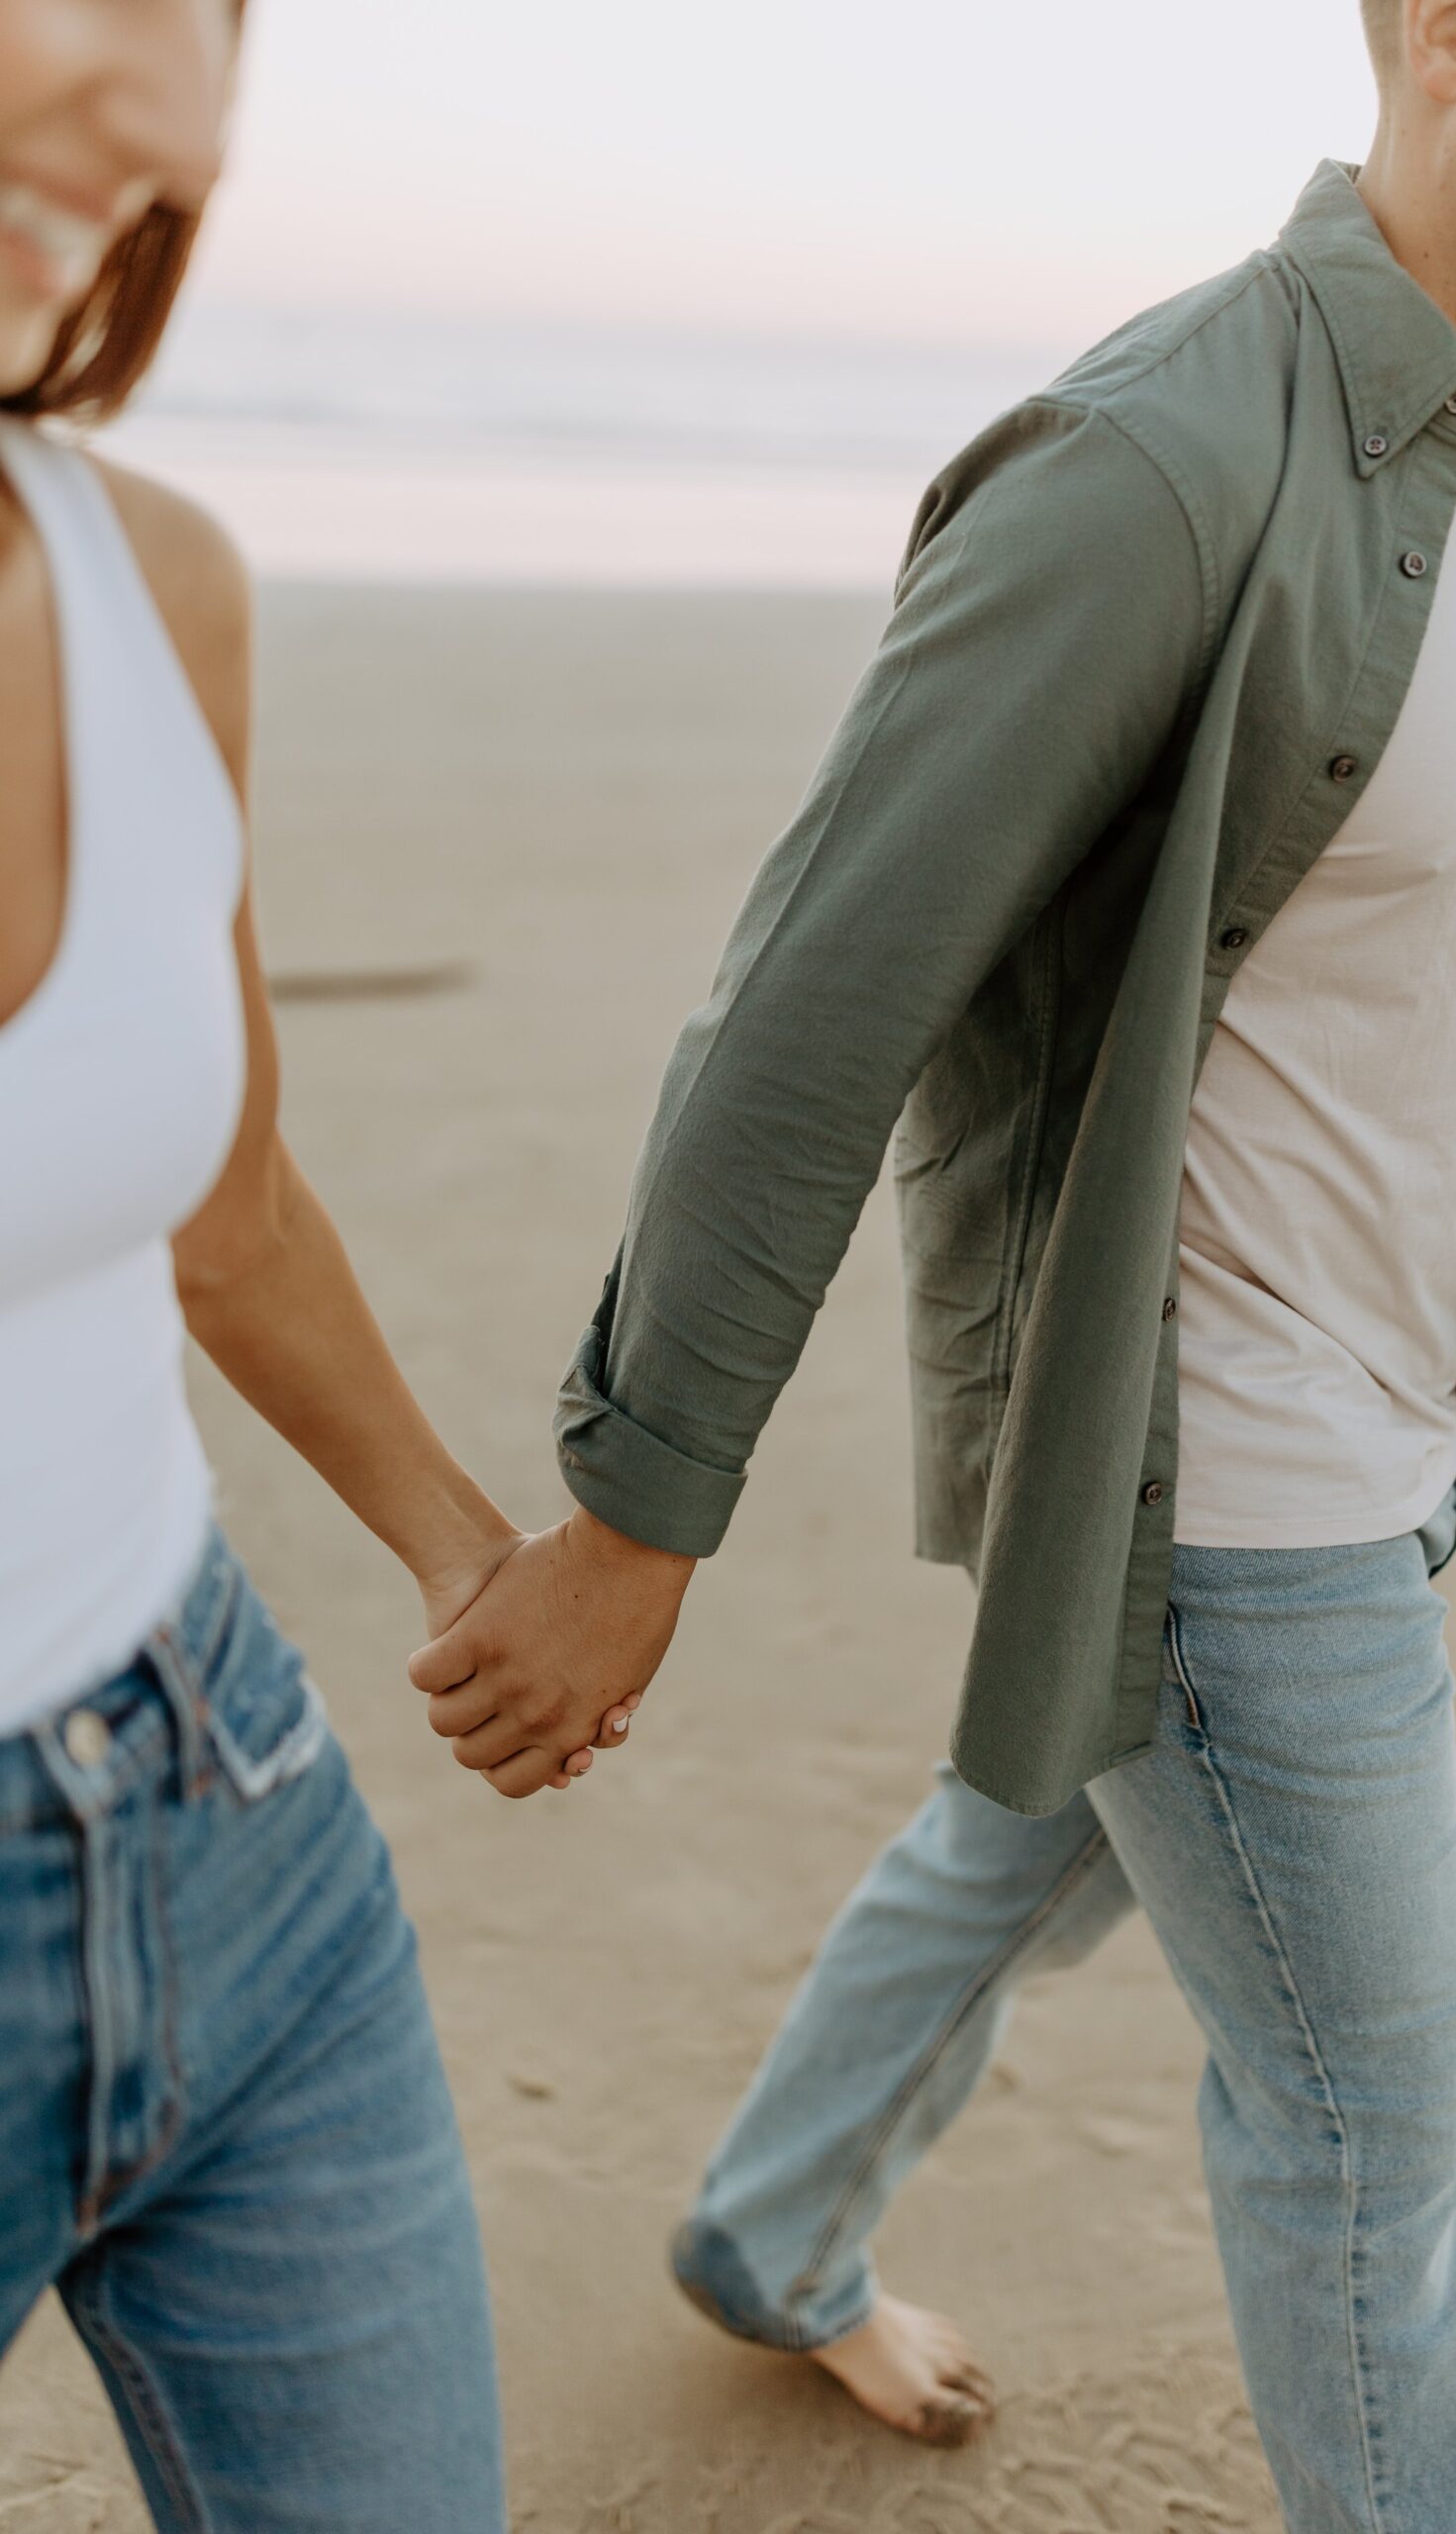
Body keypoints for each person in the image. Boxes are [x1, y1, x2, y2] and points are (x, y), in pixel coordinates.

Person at [412, 0, 1456, 2524]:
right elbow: (813, 1001)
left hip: (1374, 1408)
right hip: (1214, 1464)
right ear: (1448, 31)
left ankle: (767, 2230)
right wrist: (637, 1509)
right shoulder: (1159, 459)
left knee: (1037, 1816)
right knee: (1369, 2098)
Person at [0, 4, 637, 2524]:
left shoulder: (150, 586)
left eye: (210, 19)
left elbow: (221, 1199)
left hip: (220, 1804)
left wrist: (465, 1540)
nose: (173, 113)